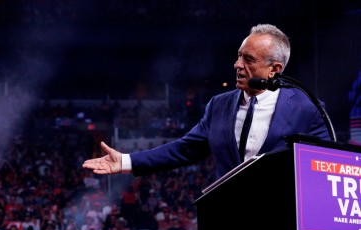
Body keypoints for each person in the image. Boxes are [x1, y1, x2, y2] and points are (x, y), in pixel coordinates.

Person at [83, 24, 330, 182]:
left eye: (248, 59)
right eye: (238, 56)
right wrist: (126, 161)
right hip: (225, 220)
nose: (237, 65)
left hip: (282, 225)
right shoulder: (219, 106)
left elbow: (325, 167)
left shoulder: (307, 107)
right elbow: (183, 150)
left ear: (274, 69)